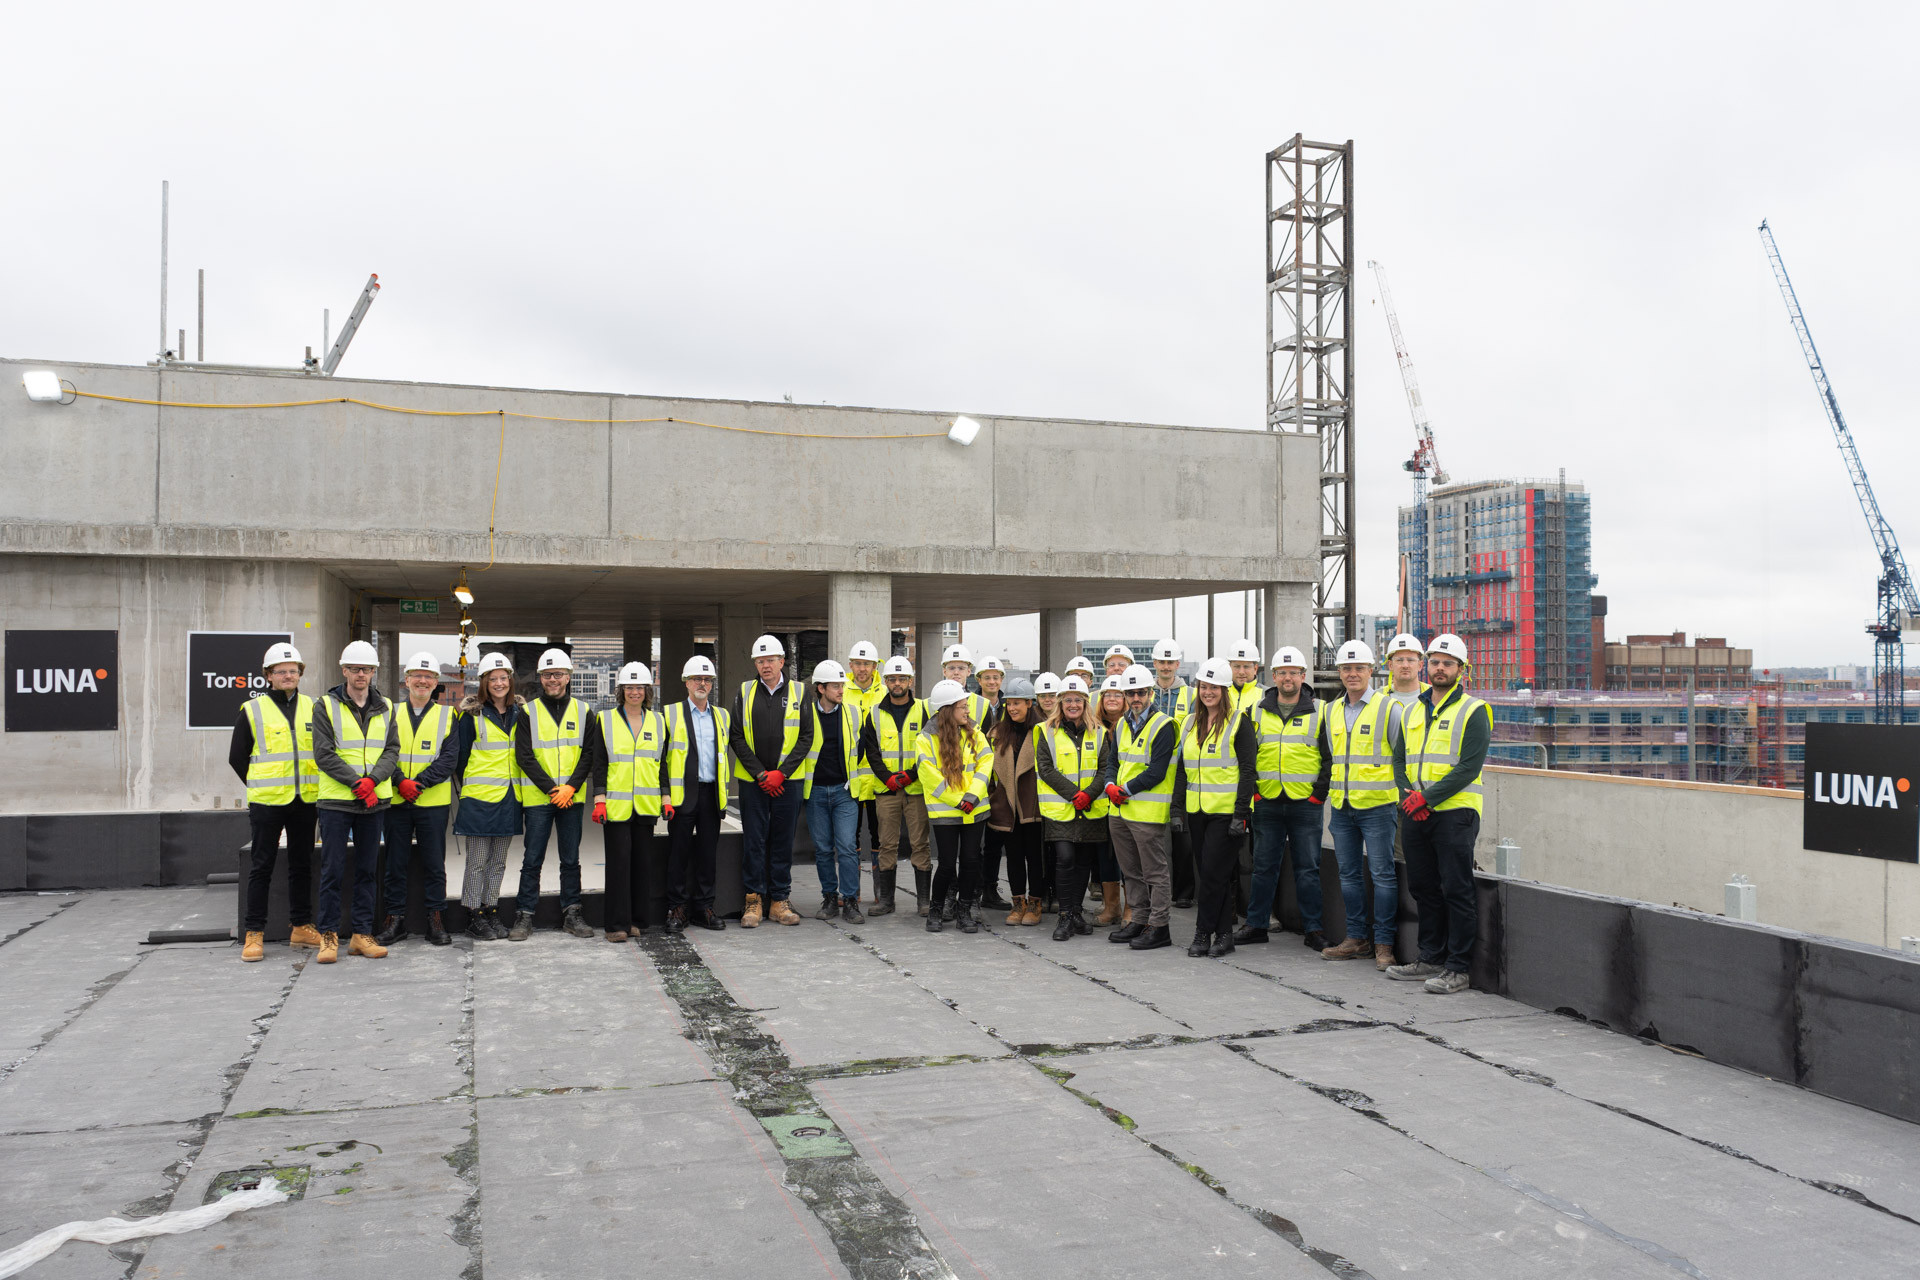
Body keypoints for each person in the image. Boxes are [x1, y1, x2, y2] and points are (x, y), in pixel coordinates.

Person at [1388, 633, 1489, 995]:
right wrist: (1408, 796)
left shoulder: (1474, 710)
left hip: (1455, 815)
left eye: (1448, 663)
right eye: (1435, 662)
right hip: (1416, 813)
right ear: (1426, 665)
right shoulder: (1413, 709)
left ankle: (1458, 968)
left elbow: (1468, 766)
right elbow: (1399, 759)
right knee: (1424, 888)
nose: (1440, 668)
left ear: (1461, 669)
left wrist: (1426, 799)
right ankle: (1430, 957)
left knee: (1456, 890)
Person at [232, 642, 323, 962]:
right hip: (268, 802)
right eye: (281, 671)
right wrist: (261, 785)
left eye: (293, 671)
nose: (288, 675)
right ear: (268, 676)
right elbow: (237, 757)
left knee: (302, 864)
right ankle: (253, 932)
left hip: (306, 799)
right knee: (261, 866)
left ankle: (300, 925)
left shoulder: (314, 707)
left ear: (300, 674)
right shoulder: (252, 709)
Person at [310, 640, 398, 964]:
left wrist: (372, 782)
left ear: (374, 672)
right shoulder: (326, 705)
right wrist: (356, 783)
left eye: (367, 669)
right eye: (355, 669)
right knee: (332, 870)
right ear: (344, 670)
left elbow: (392, 750)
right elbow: (323, 753)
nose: (361, 674)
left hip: (373, 802)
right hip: (336, 802)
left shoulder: (386, 706)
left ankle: (362, 935)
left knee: (367, 871)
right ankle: (329, 936)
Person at [1316, 641, 1402, 969]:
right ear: (1339, 673)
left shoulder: (1388, 708)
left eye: (1359, 668)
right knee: (1349, 876)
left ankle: (1384, 945)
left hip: (1379, 806)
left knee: (1383, 876)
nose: (1352, 674)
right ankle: (1356, 939)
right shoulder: (1332, 710)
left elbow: (1401, 757)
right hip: (1342, 806)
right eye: (1346, 669)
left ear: (1371, 672)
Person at [1237, 646, 1328, 949]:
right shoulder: (1256, 712)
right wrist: (1256, 794)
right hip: (1268, 802)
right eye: (1282, 673)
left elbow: (1329, 758)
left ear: (1303, 676)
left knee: (1308, 869)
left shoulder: (1321, 711)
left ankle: (1313, 929)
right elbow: (1246, 758)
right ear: (1273, 676)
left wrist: (1318, 796)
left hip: (1305, 804)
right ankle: (1256, 924)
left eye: (1293, 673)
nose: (1287, 678)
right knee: (1263, 867)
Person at [508, 648, 595, 942]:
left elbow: (588, 754)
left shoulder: (584, 712)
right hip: (539, 799)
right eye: (547, 675)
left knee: (570, 859)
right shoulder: (527, 712)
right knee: (532, 859)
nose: (553, 680)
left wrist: (570, 787)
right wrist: (553, 789)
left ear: (568, 677)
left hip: (571, 799)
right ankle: (524, 915)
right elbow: (524, 756)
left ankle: (572, 913)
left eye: (558, 674)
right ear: (540, 679)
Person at [374, 652, 458, 948]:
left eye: (429, 677)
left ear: (436, 683)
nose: (422, 681)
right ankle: (394, 920)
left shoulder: (449, 715)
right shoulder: (389, 713)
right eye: (416, 676)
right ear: (405, 680)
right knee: (394, 864)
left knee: (434, 865)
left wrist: (417, 783)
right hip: (396, 802)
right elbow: (380, 752)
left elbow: (449, 759)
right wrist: (400, 781)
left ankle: (435, 920)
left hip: (432, 803)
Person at [1175, 658, 1257, 958]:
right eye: (1203, 686)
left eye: (1214, 687)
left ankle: (1202, 932)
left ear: (1224, 690)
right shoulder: (1189, 723)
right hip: (1197, 813)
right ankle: (1224, 936)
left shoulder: (1239, 722)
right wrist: (1176, 809)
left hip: (1226, 815)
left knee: (1212, 874)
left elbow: (1249, 770)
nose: (1208, 692)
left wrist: (1240, 814)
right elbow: (1183, 769)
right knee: (1211, 875)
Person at [731, 634, 813, 928]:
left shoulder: (801, 692)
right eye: (760, 661)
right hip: (754, 783)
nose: (765, 665)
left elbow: (806, 737)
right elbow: (737, 737)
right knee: (754, 840)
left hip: (787, 783)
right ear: (755, 663)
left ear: (782, 661)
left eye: (770, 660)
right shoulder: (744, 691)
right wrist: (761, 774)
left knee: (781, 841)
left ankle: (779, 900)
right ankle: (753, 901)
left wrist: (783, 773)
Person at [1101, 664, 1179, 950]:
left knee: (1155, 873)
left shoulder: (1164, 725)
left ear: (1150, 693)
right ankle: (1138, 919)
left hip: (1146, 812)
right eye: (1130, 693)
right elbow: (1113, 762)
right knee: (1130, 871)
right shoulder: (1122, 724)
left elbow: (1157, 770)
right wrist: (1110, 786)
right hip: (1120, 810)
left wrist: (1125, 790)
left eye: (1141, 692)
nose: (1136, 698)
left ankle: (1159, 927)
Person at [591, 662, 667, 942]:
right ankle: (616, 925)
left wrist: (666, 797)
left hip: (646, 805)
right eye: (629, 687)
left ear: (648, 691)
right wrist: (599, 799)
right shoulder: (605, 719)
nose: (634, 692)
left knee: (642, 865)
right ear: (620, 690)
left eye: (639, 687)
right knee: (619, 865)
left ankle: (638, 920)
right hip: (616, 805)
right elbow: (598, 762)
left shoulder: (658, 721)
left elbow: (662, 764)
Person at [1036, 675, 1112, 942]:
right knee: (1065, 859)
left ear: (1085, 702)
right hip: (1062, 810)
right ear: (1060, 702)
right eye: (1067, 700)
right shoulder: (1045, 731)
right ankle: (1065, 915)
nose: (1072, 704)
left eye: (1077, 700)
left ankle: (1077, 912)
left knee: (1083, 862)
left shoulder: (1100, 732)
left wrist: (1088, 795)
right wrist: (1074, 795)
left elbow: (1106, 769)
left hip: (1090, 809)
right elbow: (1044, 768)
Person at [916, 680, 994, 934]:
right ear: (948, 709)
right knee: (948, 864)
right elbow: (929, 776)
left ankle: (964, 911)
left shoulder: (975, 732)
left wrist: (971, 796)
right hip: (947, 813)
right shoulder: (925, 739)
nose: (967, 711)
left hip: (974, 809)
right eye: (962, 706)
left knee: (971, 861)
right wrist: (958, 800)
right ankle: (936, 910)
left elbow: (986, 763)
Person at [454, 652, 523, 941]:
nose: (498, 683)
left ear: (510, 681)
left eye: (503, 678)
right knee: (478, 861)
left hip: (509, 798)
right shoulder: (472, 716)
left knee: (498, 862)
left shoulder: (521, 714)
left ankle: (490, 909)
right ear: (484, 683)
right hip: (479, 800)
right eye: (492, 679)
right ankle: (473, 914)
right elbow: (461, 758)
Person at [858, 656, 934, 915]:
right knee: (886, 844)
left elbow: (930, 749)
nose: (897, 683)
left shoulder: (925, 710)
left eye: (902, 679)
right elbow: (871, 751)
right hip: (886, 790)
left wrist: (911, 775)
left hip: (916, 789)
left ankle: (924, 902)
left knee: (920, 844)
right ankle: (887, 902)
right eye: (892, 679)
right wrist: (887, 778)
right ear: (886, 681)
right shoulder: (874, 713)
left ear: (910, 681)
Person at [663, 655, 730, 932]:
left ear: (711, 684)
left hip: (711, 795)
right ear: (686, 683)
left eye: (707, 679)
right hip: (681, 796)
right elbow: (661, 760)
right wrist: (665, 795)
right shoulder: (669, 714)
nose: (702, 684)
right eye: (697, 679)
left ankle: (704, 908)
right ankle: (677, 910)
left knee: (707, 855)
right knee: (677, 855)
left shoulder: (722, 715)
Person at [802, 659, 863, 924]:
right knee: (824, 849)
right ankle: (829, 897)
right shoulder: (805, 714)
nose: (841, 690)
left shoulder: (853, 713)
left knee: (847, 847)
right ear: (820, 688)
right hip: (815, 791)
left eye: (842, 685)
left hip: (844, 791)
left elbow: (861, 747)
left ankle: (850, 900)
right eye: (835, 686)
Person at [987, 676, 1045, 926]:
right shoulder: (998, 732)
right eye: (1009, 703)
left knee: (1035, 856)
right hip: (1006, 805)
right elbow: (988, 770)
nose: (1012, 708)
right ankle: (1017, 902)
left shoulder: (1044, 730)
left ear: (1029, 703)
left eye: (1017, 703)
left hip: (1033, 804)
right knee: (1012, 856)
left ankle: (1035, 903)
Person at [1148, 639, 1197, 909]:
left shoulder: (1191, 694)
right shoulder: (1146, 693)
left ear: (1178, 664)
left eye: (1171, 662)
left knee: (1183, 835)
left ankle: (1184, 892)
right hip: (1153, 773)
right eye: (1161, 662)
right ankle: (1159, 891)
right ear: (1155, 664)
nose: (1166, 667)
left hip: (1182, 772)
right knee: (1155, 835)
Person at [843, 641, 888, 892]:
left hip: (879, 779)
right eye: (858, 664)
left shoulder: (884, 692)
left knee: (880, 836)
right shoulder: (842, 690)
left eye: (867, 664)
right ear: (851, 665)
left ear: (875, 666)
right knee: (850, 838)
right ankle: (853, 891)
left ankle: (881, 891)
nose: (862, 669)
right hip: (850, 779)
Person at [972, 655, 1013, 911]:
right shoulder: (970, 704)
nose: (991, 681)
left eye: (996, 677)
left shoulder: (1010, 705)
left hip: (1002, 781)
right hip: (977, 778)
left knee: (995, 841)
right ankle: (973, 890)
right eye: (986, 677)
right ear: (978, 680)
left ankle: (989, 889)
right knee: (974, 842)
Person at [1089, 675, 1130, 925]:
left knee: (1127, 855)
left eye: (1118, 694)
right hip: (1100, 800)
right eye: (1107, 695)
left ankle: (1131, 908)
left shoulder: (1131, 725)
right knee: (1105, 855)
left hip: (1126, 797)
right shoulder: (1092, 727)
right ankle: (1111, 907)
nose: (1112, 699)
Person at [1028, 671, 1062, 912]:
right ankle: (1043, 892)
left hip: (1062, 794)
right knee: (1039, 850)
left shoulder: (1067, 720)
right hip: (1037, 794)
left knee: (1058, 851)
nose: (1048, 700)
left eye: (1052, 695)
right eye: (1043, 696)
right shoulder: (1032, 722)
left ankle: (1057, 891)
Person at [1225, 639, 1264, 718]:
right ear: (1230, 668)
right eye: (1236, 666)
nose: (1241, 672)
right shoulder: (1220, 692)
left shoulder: (1267, 695)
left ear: (1255, 669)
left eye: (1246, 666)